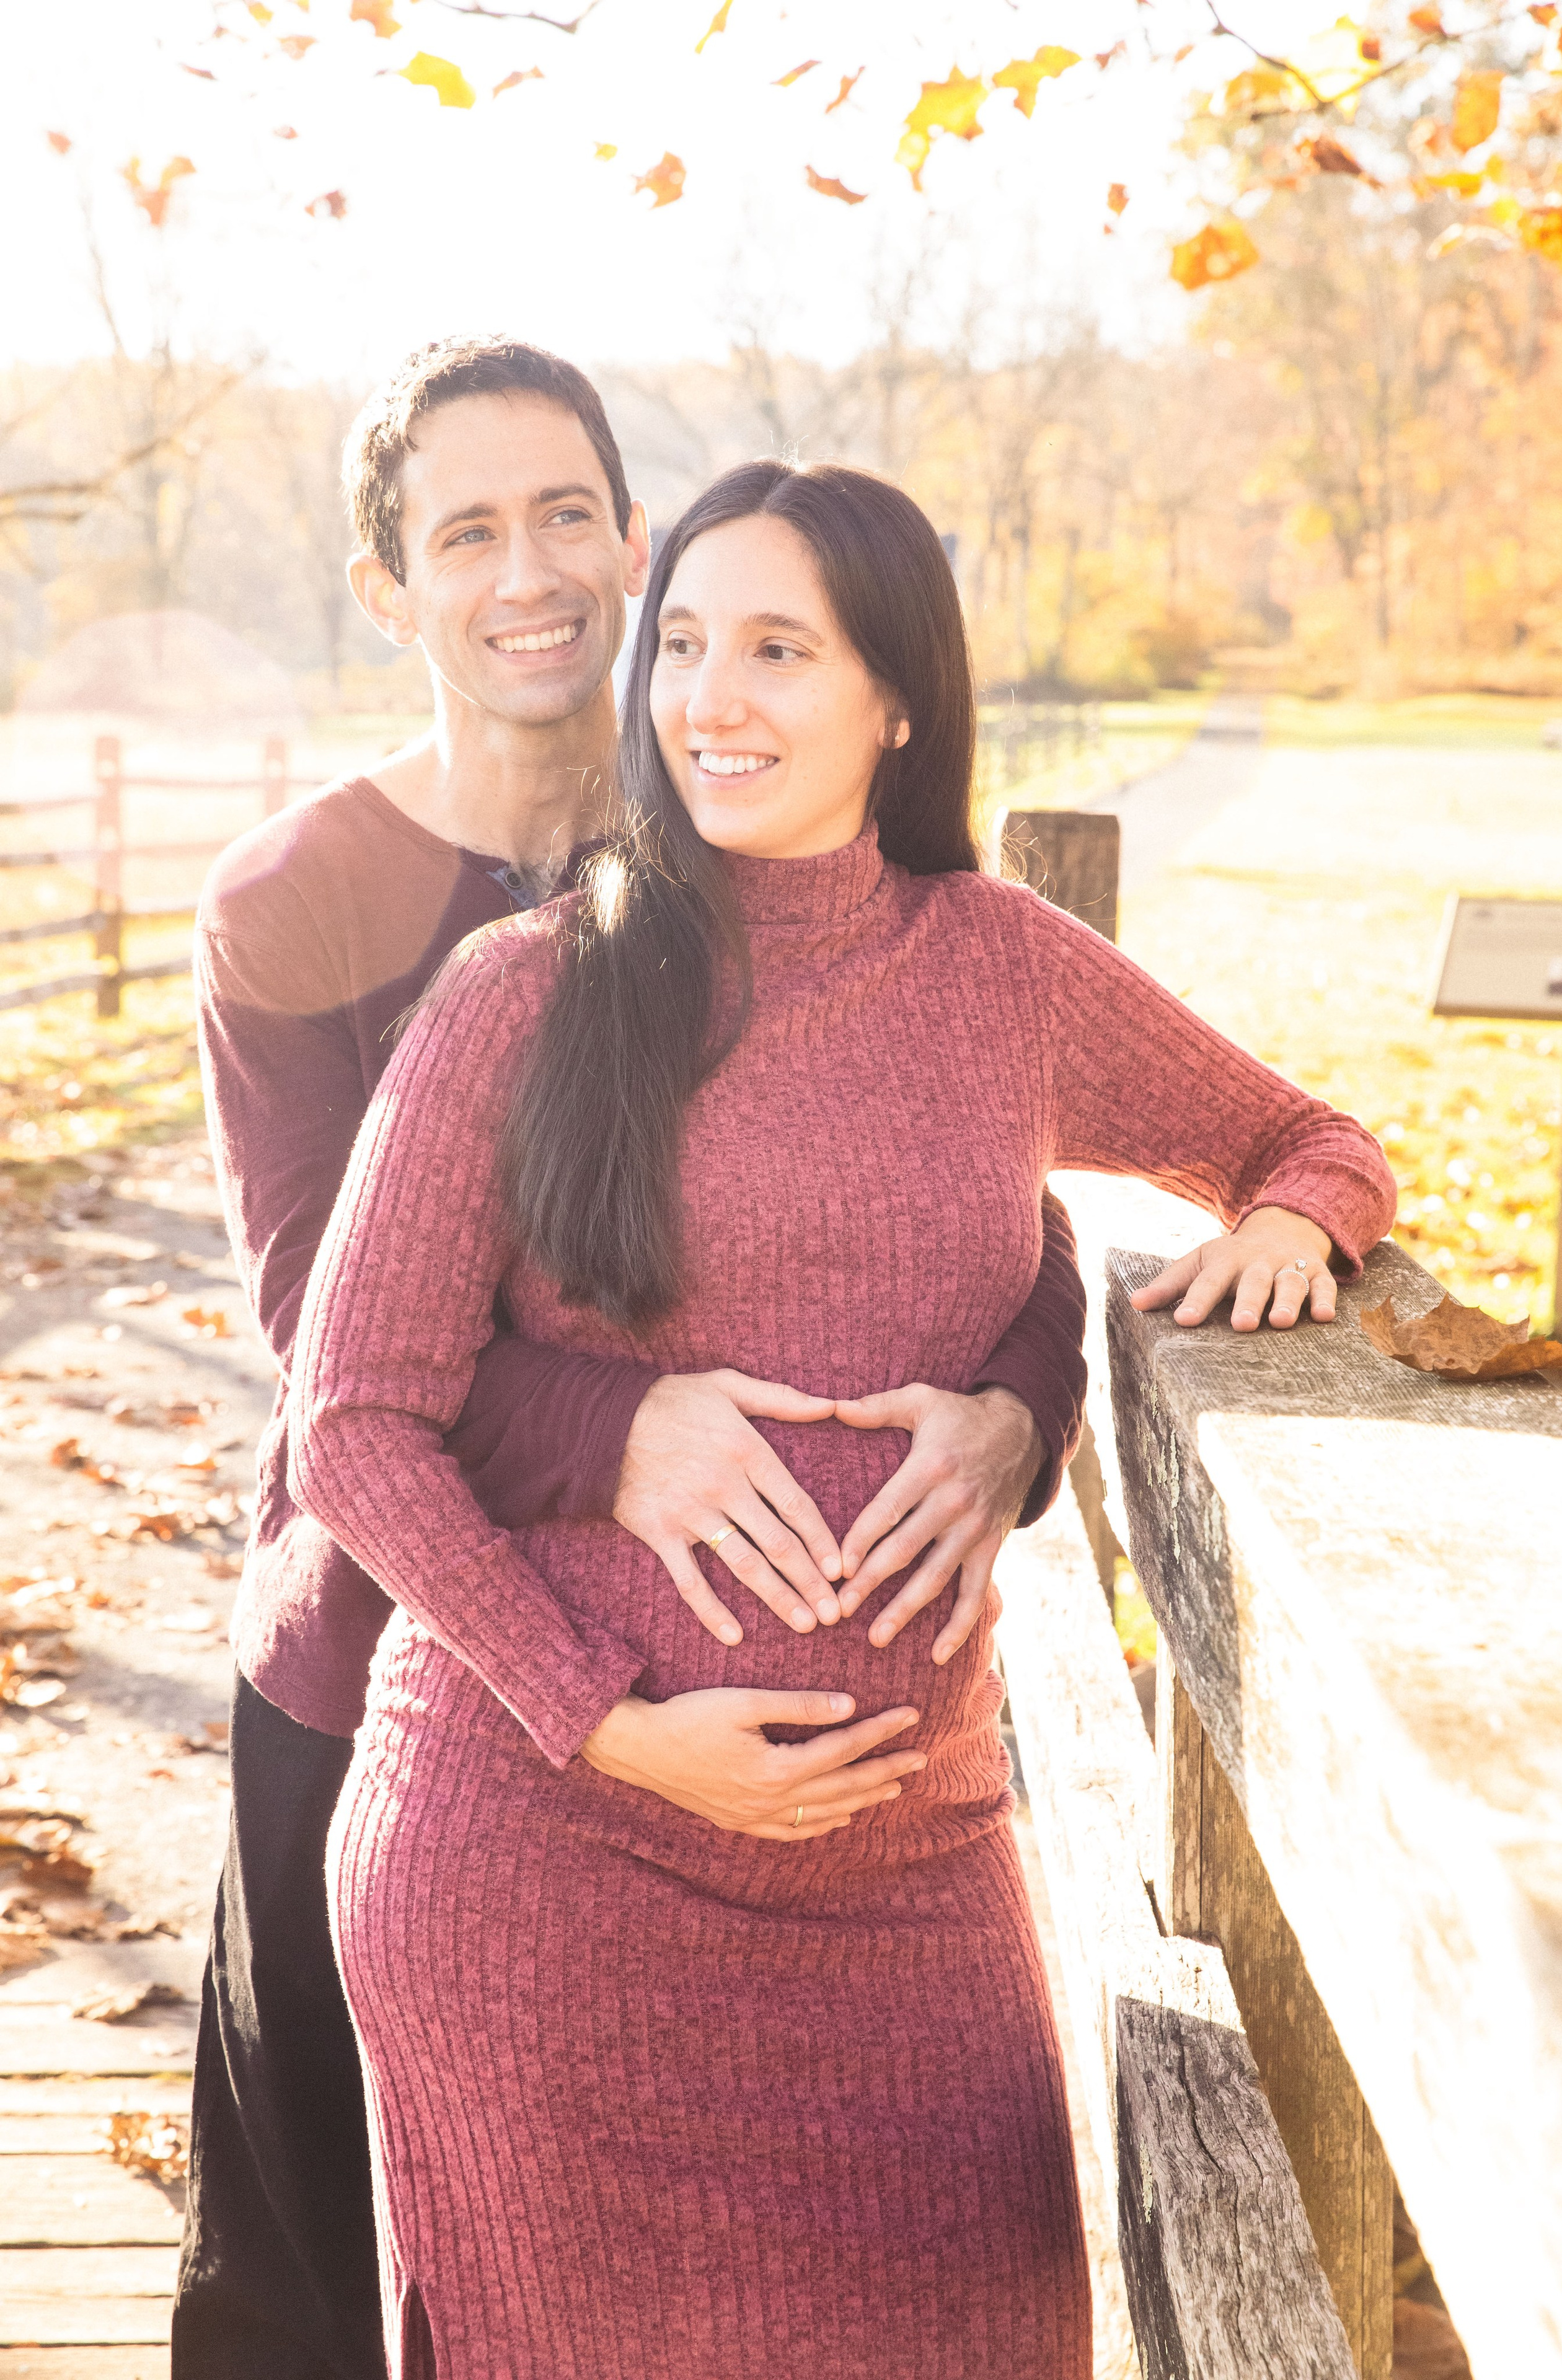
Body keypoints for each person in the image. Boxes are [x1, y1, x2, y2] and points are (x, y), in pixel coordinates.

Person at [288, 456, 1398, 2377]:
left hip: (905, 1889)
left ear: (897, 697)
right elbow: (351, 1426)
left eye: (779, 651)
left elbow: (1307, 1142)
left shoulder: (1003, 971)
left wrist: (1291, 1231)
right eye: (684, 644)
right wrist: (609, 1722)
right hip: (539, 1877)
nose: (710, 698)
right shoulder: (524, 993)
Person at [175, 341, 1091, 2378]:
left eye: (567, 516)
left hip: (777, 1759)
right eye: (465, 533)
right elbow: (336, 1341)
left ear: (635, 541)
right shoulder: (300, 906)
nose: (529, 572)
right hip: (394, 1665)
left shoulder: (766, 821)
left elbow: (997, 1214)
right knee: (331, 2288)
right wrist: (623, 1425)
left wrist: (1018, 1409)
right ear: (388, 587)